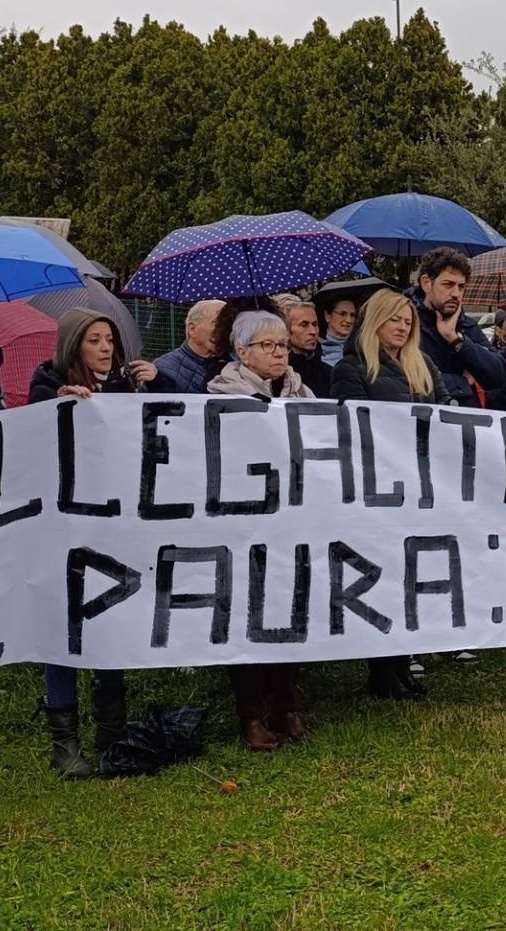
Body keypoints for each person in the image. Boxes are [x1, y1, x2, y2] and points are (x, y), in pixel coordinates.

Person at [28, 307, 165, 778]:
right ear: (72, 346)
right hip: (62, 531)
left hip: (114, 527)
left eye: (109, 338)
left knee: (109, 622)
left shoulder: (128, 387)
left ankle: (112, 734)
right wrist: (58, 407)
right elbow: (30, 438)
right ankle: (64, 745)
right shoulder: (47, 386)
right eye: (94, 340)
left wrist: (159, 385)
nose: (106, 347)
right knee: (64, 631)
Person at [330, 290, 451, 698]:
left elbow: (450, 409)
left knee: (409, 575)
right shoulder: (351, 368)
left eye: (408, 321)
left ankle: (403, 663)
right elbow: (354, 429)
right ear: (375, 321)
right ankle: (382, 670)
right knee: (381, 576)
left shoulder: (422, 364)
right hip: (379, 489)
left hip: (422, 486)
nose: (402, 327)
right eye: (394, 319)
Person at [208, 310, 313, 750]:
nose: (278, 353)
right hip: (243, 523)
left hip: (291, 518)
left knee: (288, 609)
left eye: (282, 345)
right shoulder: (218, 395)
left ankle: (285, 704)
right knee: (249, 616)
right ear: (242, 352)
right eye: (267, 346)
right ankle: (251, 714)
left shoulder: (301, 392)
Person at [402, 248, 506, 408]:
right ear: (426, 283)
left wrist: (457, 340)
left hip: (465, 426)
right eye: (448, 284)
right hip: (422, 424)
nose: (456, 294)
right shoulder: (405, 323)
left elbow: (497, 375)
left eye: (461, 286)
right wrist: (463, 382)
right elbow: (407, 381)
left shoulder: (467, 326)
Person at [155, 298, 223, 394]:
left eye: (227, 325)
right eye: (217, 324)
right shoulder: (163, 370)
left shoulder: (234, 365)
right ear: (192, 329)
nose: (224, 331)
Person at [275, 296, 331, 398]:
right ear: (285, 330)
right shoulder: (275, 374)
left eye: (315, 324)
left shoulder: (329, 373)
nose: (313, 332)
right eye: (304, 325)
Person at [319, 297, 358, 367]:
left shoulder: (361, 348)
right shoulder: (316, 349)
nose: (349, 320)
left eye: (352, 315)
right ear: (327, 316)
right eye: (343, 314)